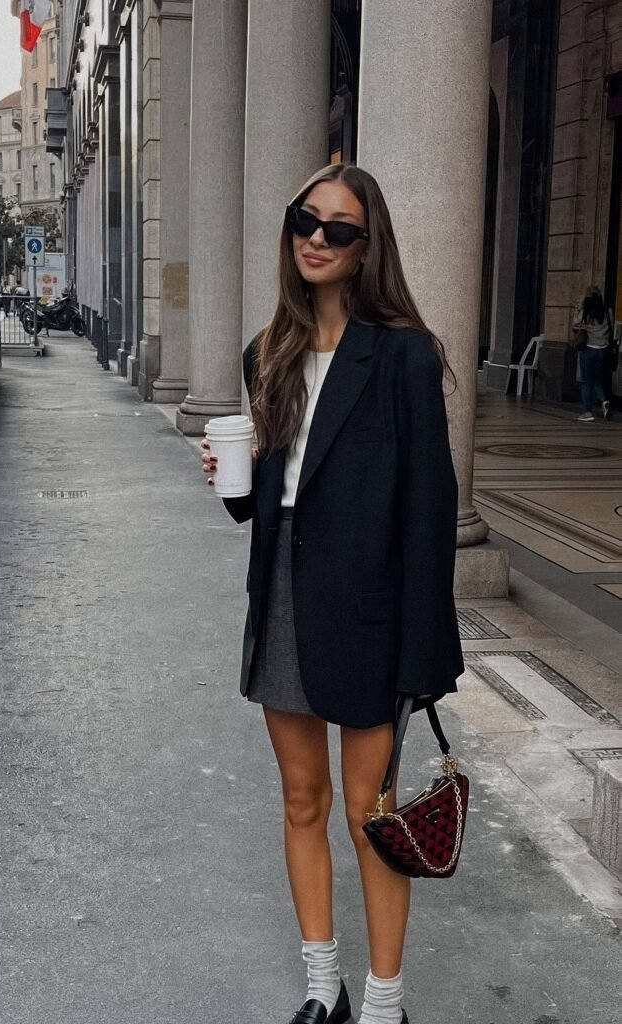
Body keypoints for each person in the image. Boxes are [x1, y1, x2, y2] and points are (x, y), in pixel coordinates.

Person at [200, 163, 463, 1024]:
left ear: (364, 248)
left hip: (370, 612)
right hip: (280, 598)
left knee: (369, 815)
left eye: (339, 228)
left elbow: (429, 514)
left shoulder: (401, 357)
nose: (317, 237)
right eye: (305, 220)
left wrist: (424, 657)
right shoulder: (266, 351)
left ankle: (385, 1003)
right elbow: (269, 502)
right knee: (302, 801)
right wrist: (230, 482)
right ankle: (326, 988)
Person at [572, 286, 613, 421]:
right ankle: (604, 401)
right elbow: (611, 328)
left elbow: (575, 326)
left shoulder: (586, 312)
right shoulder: (607, 312)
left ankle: (587, 412)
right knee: (597, 381)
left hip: (588, 350)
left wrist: (579, 307)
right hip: (602, 350)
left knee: (586, 382)